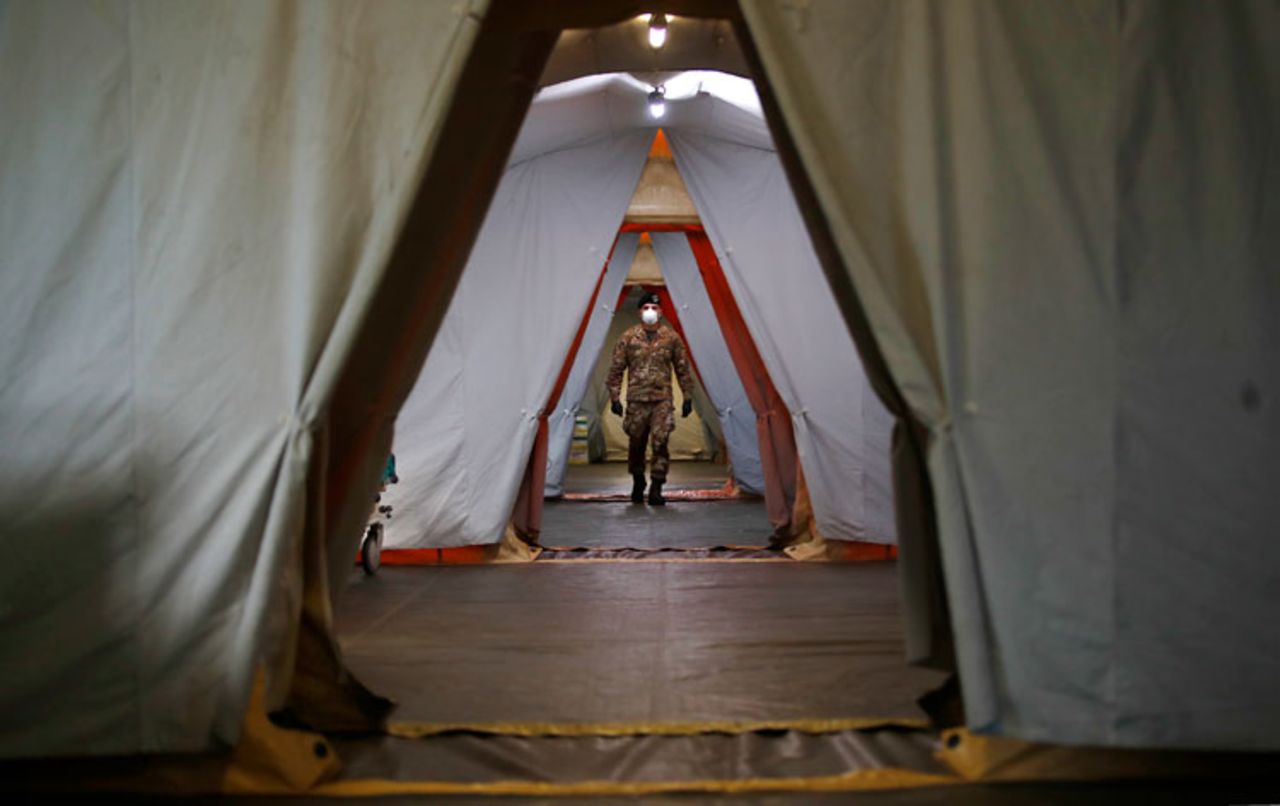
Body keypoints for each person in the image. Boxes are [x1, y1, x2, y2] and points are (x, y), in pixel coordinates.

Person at [606, 291, 696, 505]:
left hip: (661, 400)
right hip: (637, 400)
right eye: (646, 307)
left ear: (662, 311)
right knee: (636, 443)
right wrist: (615, 397)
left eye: (655, 308)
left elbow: (682, 368)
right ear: (639, 312)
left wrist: (687, 396)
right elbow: (616, 369)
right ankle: (638, 480)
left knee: (661, 442)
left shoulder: (671, 338)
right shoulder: (628, 338)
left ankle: (656, 486)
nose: (650, 312)